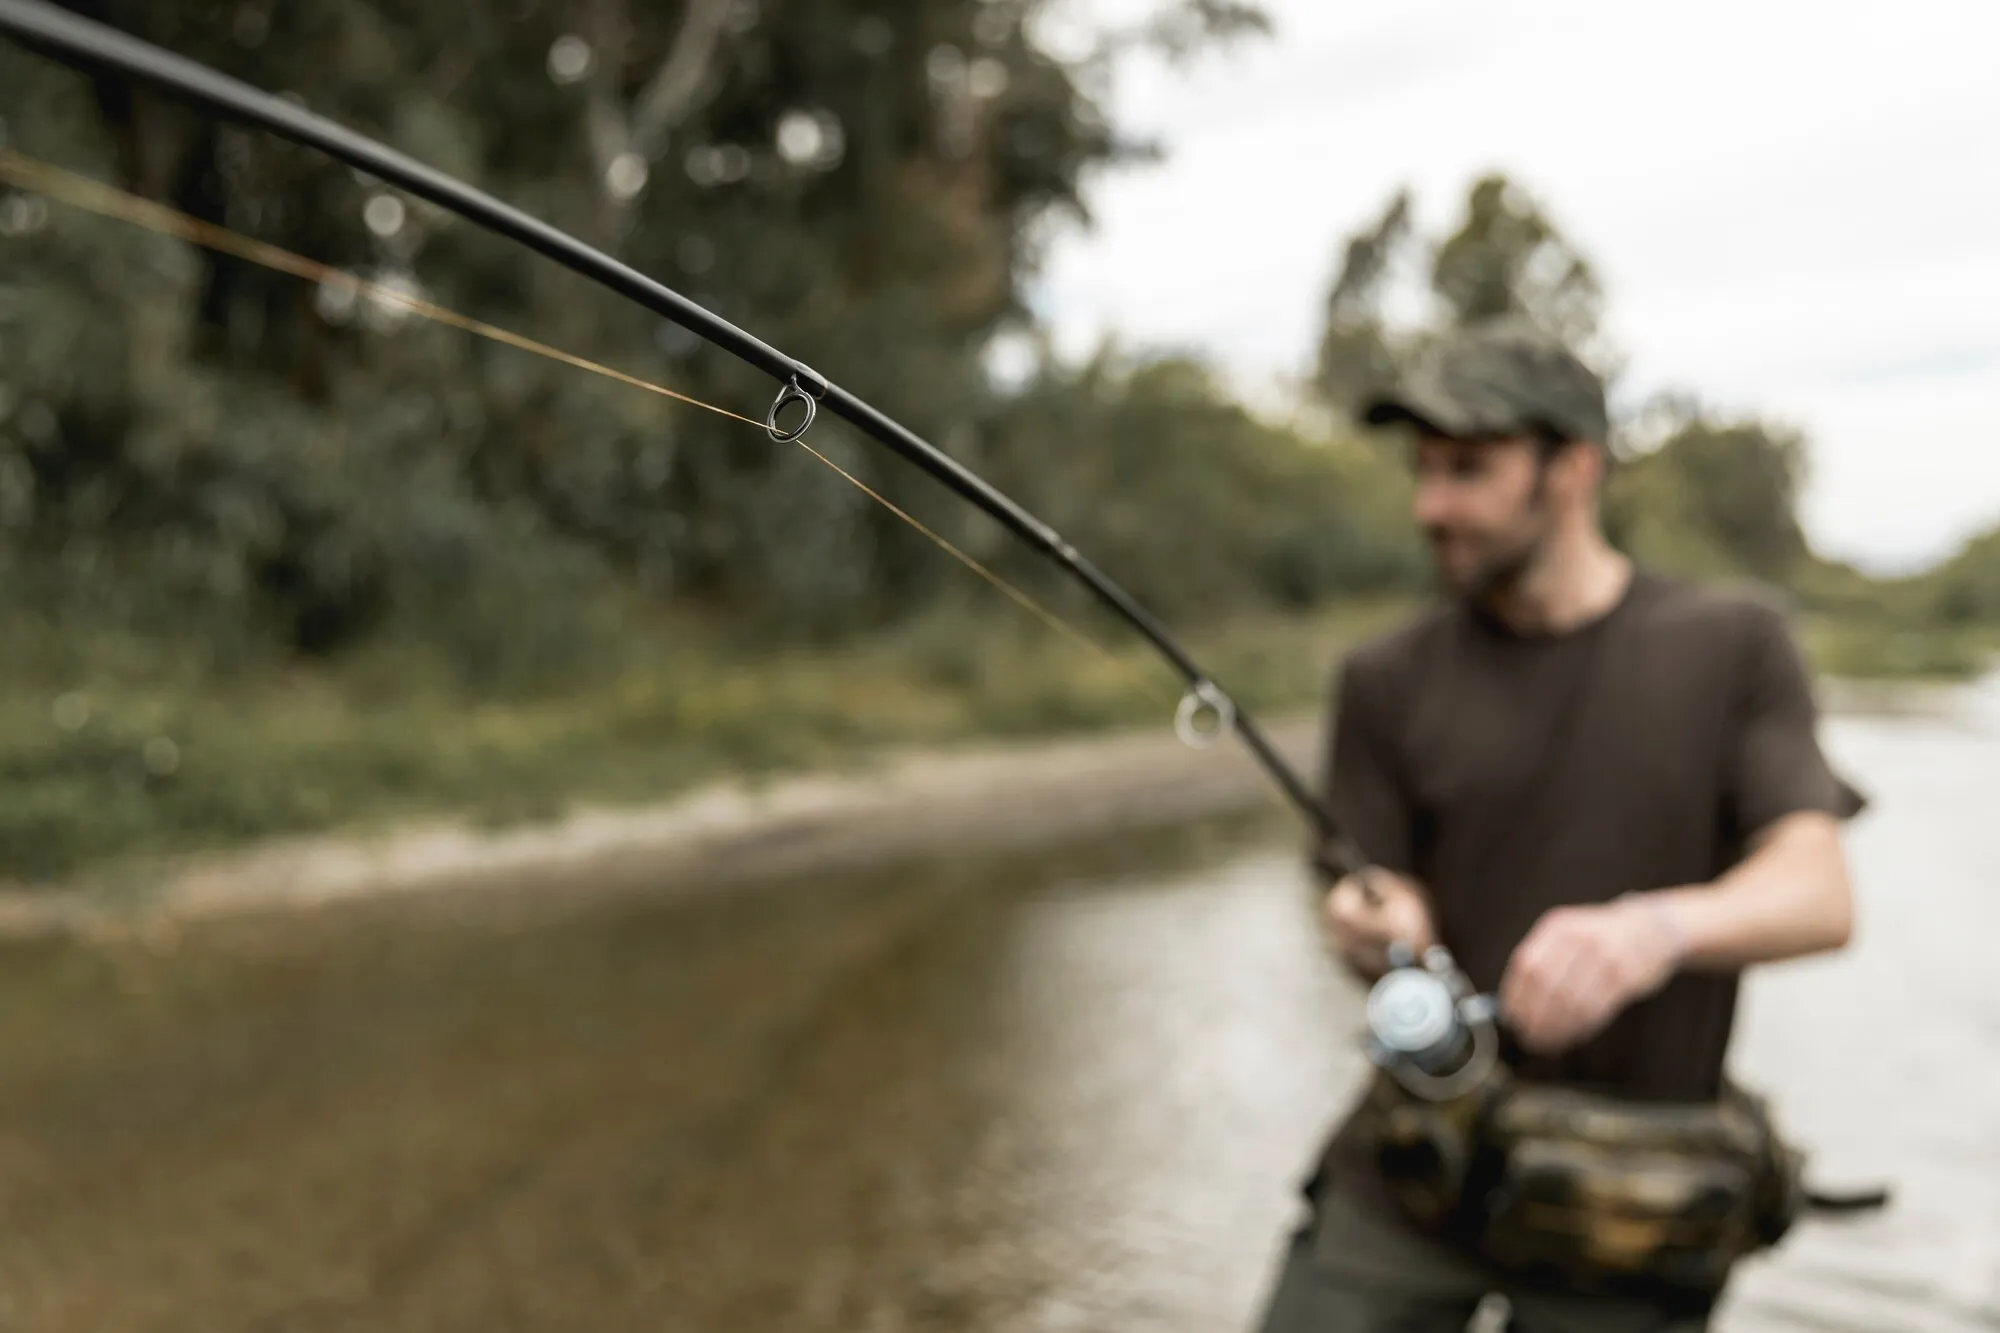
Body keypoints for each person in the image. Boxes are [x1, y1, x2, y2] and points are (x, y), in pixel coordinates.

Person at [1250, 318, 1867, 1333]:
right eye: (1422, 471)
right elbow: (1362, 890)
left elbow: (1816, 891)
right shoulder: (1381, 679)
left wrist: (1652, 931)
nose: (1428, 506)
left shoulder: (1731, 644)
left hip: (1631, 1197)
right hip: (1412, 1162)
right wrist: (1368, 922)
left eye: (1466, 470)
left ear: (1571, 469)